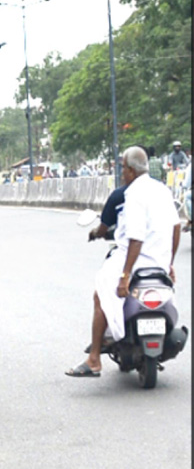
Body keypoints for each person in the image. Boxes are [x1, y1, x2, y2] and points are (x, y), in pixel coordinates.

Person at [66, 146, 181, 378]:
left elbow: (135, 239)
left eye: (123, 169)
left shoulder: (132, 194)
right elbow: (176, 227)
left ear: (130, 171)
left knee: (100, 292)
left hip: (135, 260)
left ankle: (95, 358)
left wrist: (125, 275)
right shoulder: (162, 189)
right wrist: (169, 263)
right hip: (158, 262)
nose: (122, 173)